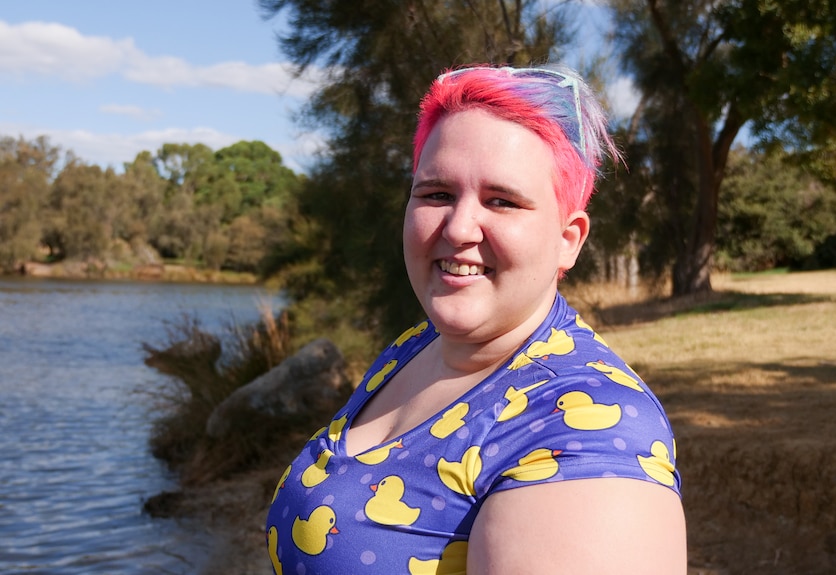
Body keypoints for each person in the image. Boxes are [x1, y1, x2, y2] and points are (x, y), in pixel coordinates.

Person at [266, 64, 686, 574]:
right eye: (437, 194)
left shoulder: (587, 433)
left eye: (502, 201)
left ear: (568, 239)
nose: (460, 226)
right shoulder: (418, 345)